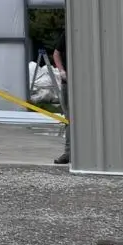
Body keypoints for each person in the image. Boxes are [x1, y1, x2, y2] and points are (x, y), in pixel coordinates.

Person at [52, 29, 70, 165]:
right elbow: (56, 53)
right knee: (69, 118)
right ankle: (68, 153)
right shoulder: (68, 32)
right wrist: (62, 71)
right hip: (67, 83)